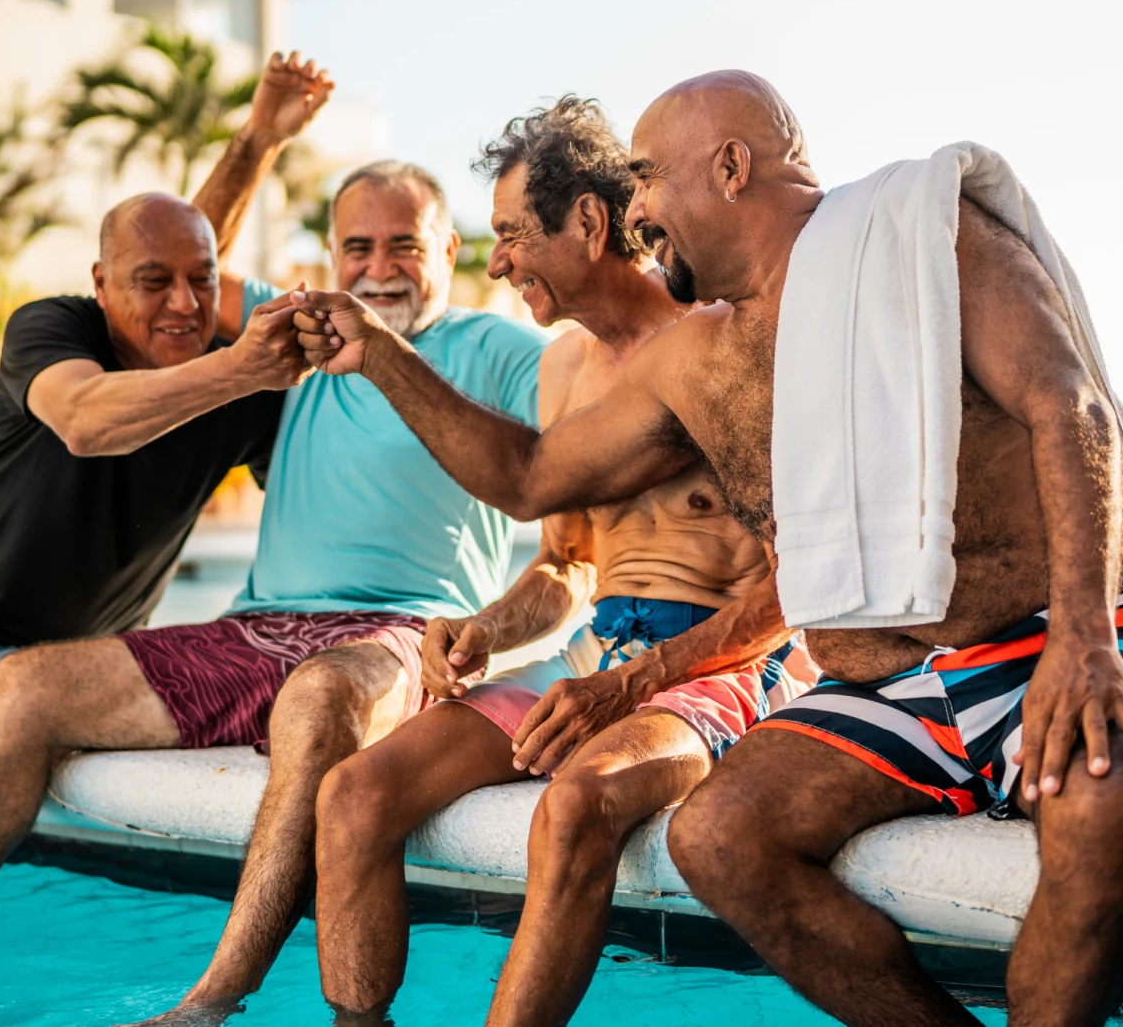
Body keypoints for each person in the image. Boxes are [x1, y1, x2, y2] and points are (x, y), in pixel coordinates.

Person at [292, 71, 1123, 1027]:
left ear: (730, 166)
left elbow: (1066, 406)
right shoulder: (696, 359)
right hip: (894, 682)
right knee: (720, 839)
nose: (635, 205)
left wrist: (1085, 638)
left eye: (646, 177)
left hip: (1053, 634)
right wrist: (381, 353)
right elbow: (529, 476)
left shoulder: (924, 239)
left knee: (1104, 814)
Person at [0, 140, 545, 1016]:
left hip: (402, 627)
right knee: (21, 686)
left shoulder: (502, 349)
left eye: (405, 246)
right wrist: (259, 138)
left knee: (317, 701)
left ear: (450, 252)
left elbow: (564, 507)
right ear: (331, 256)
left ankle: (211, 997)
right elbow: (174, 266)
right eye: (358, 248)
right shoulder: (301, 327)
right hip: (258, 621)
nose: (378, 268)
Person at [313, 97, 814, 1026]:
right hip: (598, 653)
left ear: (587, 223)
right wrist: (488, 629)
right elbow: (568, 565)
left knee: (576, 803)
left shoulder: (726, 344)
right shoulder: (561, 366)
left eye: (510, 233)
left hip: (727, 663)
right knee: (354, 794)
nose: (495, 259)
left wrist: (634, 689)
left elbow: (808, 585)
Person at [0, 50, 331, 930]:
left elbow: (181, 265)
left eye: (202, 284)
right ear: (101, 286)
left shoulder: (238, 388)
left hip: (50, 663)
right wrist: (240, 362)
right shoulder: (54, 328)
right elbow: (89, 418)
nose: (182, 302)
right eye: (150, 284)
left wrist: (256, 145)